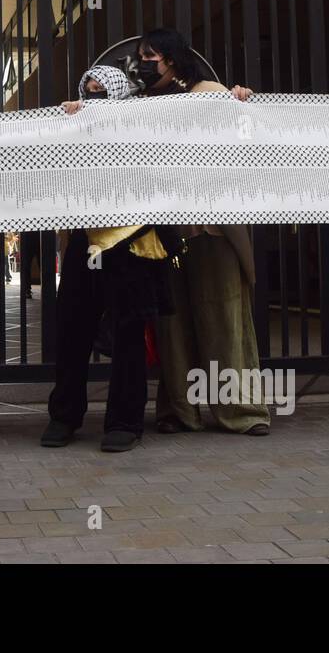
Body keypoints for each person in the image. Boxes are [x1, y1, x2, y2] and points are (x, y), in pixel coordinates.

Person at [132, 29, 272, 436]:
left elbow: (249, 140)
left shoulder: (212, 93)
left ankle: (242, 412)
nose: (143, 63)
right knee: (173, 325)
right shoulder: (140, 104)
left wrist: (244, 103)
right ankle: (179, 411)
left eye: (150, 55)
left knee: (224, 317)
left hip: (212, 231)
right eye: (141, 56)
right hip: (166, 233)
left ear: (172, 59)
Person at [43, 66, 173, 452]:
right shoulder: (73, 127)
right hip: (87, 244)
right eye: (90, 90)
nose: (96, 95)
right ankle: (64, 416)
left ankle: (125, 422)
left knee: (129, 336)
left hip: (131, 244)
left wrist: (234, 99)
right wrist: (62, 124)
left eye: (103, 90)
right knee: (72, 331)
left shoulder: (140, 127)